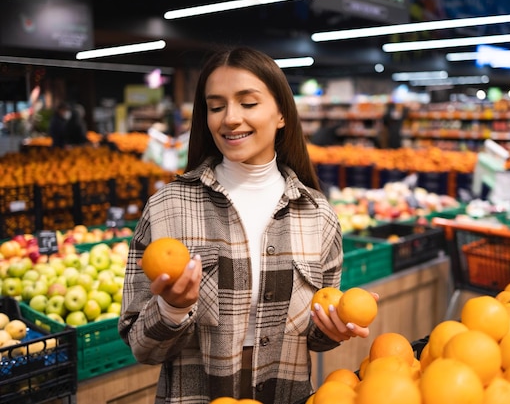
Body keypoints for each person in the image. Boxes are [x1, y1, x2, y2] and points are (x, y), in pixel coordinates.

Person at [119, 46, 376, 404]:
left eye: (248, 103)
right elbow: (141, 347)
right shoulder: (167, 207)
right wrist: (172, 309)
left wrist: (333, 329)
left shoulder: (317, 214)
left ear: (282, 114)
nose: (230, 118)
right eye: (216, 106)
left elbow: (315, 336)